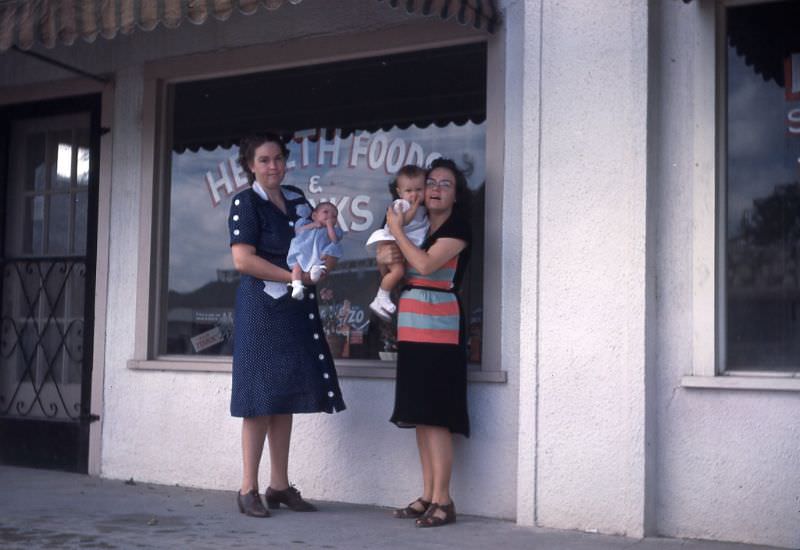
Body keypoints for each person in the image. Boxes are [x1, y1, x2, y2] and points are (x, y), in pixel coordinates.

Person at [228, 133, 346, 518]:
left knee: (284, 397)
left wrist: (324, 264)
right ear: (250, 165)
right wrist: (292, 276)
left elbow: (317, 245)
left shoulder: (296, 198)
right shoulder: (245, 203)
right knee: (259, 398)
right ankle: (248, 488)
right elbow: (243, 260)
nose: (273, 166)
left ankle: (279, 485)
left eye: (278, 159)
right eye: (264, 160)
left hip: (295, 305)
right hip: (262, 307)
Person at [380, 158, 471, 528]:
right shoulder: (417, 224)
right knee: (419, 415)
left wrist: (396, 232)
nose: (434, 189)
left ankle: (444, 501)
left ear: (456, 194)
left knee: (436, 416)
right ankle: (429, 495)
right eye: (430, 182)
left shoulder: (457, 227)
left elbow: (426, 264)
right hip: (412, 325)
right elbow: (394, 266)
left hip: (441, 326)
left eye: (445, 184)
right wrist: (385, 256)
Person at [365, 165, 429, 321]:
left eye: (419, 190)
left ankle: (382, 300)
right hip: (391, 243)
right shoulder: (400, 205)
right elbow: (403, 221)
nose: (414, 195)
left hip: (403, 246)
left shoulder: (423, 208)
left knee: (401, 272)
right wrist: (413, 208)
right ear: (400, 192)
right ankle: (381, 297)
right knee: (398, 272)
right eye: (409, 191)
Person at [287, 201, 343, 300]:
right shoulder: (307, 224)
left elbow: (334, 240)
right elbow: (298, 231)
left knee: (318, 268)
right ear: (314, 215)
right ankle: (297, 286)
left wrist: (330, 226)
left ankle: (314, 276)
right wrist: (312, 225)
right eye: (325, 212)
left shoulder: (334, 231)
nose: (330, 216)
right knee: (296, 267)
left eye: (334, 216)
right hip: (303, 253)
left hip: (318, 255)